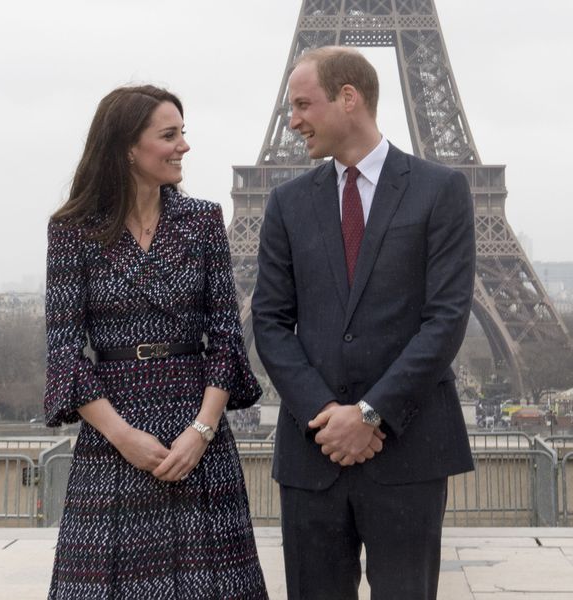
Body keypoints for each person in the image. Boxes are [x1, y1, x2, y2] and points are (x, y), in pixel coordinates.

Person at [251, 47, 475, 600]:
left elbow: (445, 321)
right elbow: (270, 321)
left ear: (348, 98)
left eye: (303, 104)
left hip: (408, 448)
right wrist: (329, 414)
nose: (293, 120)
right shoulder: (286, 203)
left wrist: (371, 414)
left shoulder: (440, 189)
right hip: (315, 450)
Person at [44, 84, 268, 599]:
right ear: (127, 147)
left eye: (182, 133)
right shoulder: (73, 230)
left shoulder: (204, 222)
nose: (183, 146)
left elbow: (228, 342)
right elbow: (64, 352)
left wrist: (201, 431)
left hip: (197, 432)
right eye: (169, 135)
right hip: (113, 434)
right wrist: (123, 436)